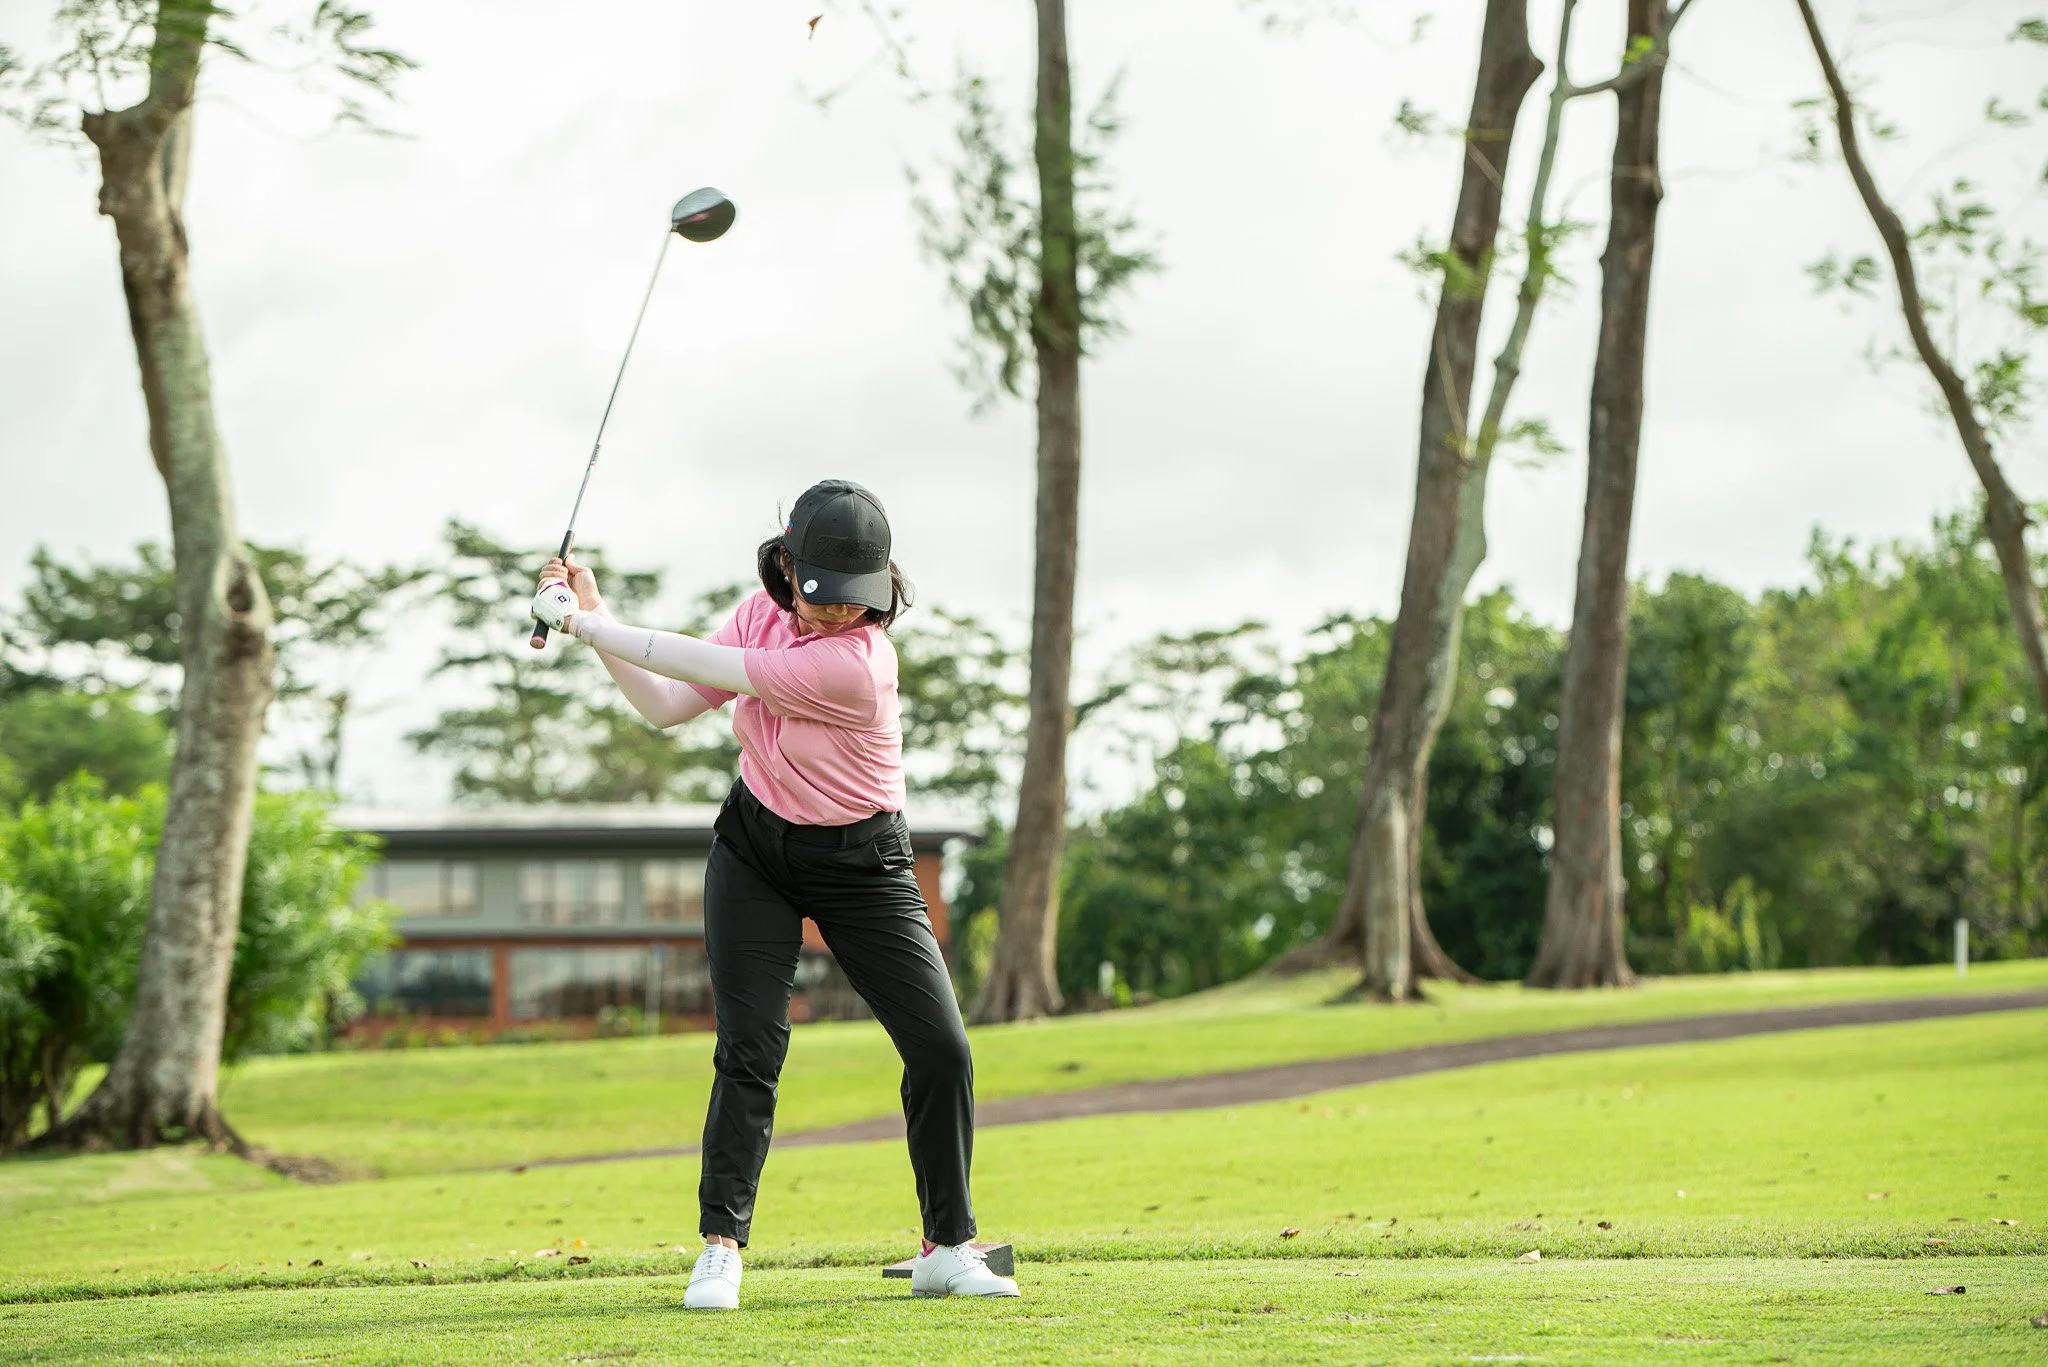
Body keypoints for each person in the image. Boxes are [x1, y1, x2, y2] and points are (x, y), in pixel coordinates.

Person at [531, 479, 1018, 1309]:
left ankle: (948, 1243)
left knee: (942, 1048)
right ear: (787, 565)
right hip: (754, 849)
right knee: (750, 1045)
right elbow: (666, 701)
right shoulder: (761, 615)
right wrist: (597, 616)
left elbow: (704, 664)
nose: (836, 614)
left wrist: (579, 621)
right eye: (821, 596)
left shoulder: (856, 663)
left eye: (855, 601)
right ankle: (721, 1245)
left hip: (863, 863)